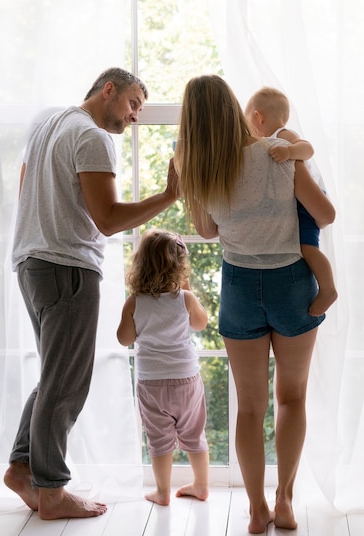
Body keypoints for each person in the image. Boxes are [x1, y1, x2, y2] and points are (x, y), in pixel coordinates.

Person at [4, 67, 180, 520]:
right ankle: (52, 490)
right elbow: (107, 219)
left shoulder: (48, 126)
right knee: (66, 383)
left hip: (31, 261)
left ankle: (23, 468)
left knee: (55, 374)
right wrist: (168, 196)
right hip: (67, 269)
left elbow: (26, 189)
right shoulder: (93, 136)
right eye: (133, 104)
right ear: (108, 90)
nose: (135, 116)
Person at [173, 75, 336, 534]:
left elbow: (207, 232)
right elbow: (323, 214)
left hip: (240, 284)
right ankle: (285, 501)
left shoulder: (199, 168)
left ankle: (256, 508)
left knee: (248, 407)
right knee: (292, 397)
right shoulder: (276, 152)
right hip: (291, 280)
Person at [116, 228, 210, 506]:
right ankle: (202, 486)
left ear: (140, 265)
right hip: (186, 379)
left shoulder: (134, 302)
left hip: (151, 382)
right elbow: (200, 324)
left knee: (158, 439)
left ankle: (162, 492)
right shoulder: (185, 298)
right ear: (180, 267)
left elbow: (124, 339)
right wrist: (187, 289)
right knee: (194, 434)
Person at [244, 86, 337, 316]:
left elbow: (308, 148)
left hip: (309, 203)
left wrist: (289, 152)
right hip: (299, 203)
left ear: (258, 117)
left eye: (247, 122)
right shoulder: (272, 140)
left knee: (308, 247)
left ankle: (328, 290)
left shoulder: (283, 136)